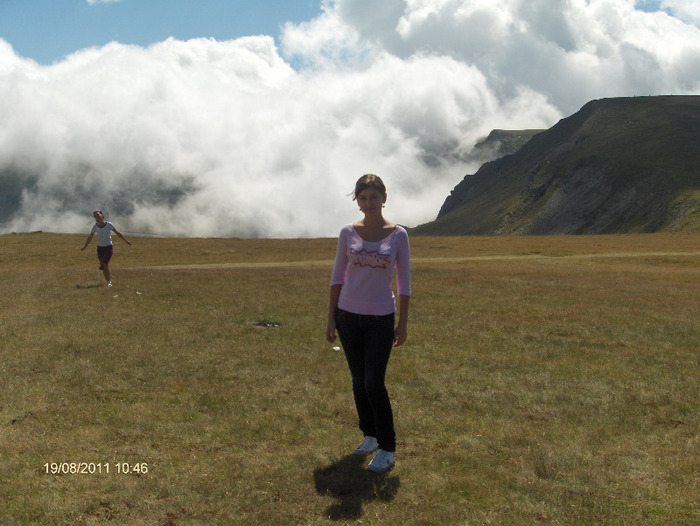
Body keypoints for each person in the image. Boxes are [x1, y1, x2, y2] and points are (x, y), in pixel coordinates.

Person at [325, 174, 411, 473]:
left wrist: (402, 324)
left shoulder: (398, 235)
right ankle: (370, 435)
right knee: (359, 381)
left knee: (374, 382)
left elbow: (404, 283)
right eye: (363, 198)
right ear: (357, 201)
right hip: (348, 315)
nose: (369, 203)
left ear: (384, 198)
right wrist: (331, 317)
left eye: (374, 197)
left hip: (381, 318)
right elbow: (338, 276)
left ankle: (388, 447)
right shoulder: (348, 232)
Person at [81, 210, 131, 287]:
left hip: (108, 247)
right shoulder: (95, 227)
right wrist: (85, 246)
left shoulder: (109, 225)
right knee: (104, 266)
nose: (97, 217)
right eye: (95, 216)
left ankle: (109, 282)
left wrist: (126, 241)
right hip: (100, 248)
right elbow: (90, 237)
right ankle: (108, 281)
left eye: (98, 215)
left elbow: (117, 233)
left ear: (102, 215)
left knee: (105, 264)